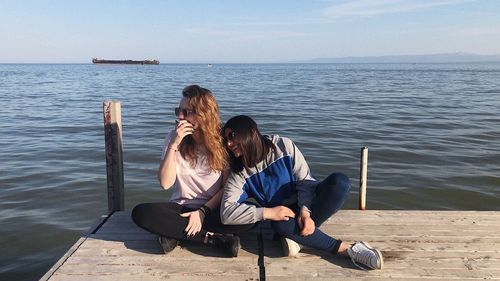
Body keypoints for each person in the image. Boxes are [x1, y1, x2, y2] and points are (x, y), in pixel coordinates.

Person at [220, 115, 383, 270]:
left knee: (340, 182)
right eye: (226, 139)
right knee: (280, 224)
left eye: (232, 136)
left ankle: (299, 239)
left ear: (249, 132)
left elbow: (305, 181)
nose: (228, 143)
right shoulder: (239, 172)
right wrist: (267, 212)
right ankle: (349, 250)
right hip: (284, 217)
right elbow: (226, 213)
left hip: (308, 203)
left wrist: (305, 212)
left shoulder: (283, 145)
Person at [131, 85, 254, 257]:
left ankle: (175, 234)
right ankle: (212, 240)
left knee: (250, 216)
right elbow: (165, 183)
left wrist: (202, 212)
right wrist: (173, 145)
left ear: (204, 114)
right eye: (178, 110)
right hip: (180, 208)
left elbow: (226, 188)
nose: (180, 117)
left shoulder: (222, 142)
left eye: (187, 112)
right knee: (141, 213)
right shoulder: (173, 138)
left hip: (213, 209)